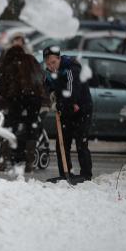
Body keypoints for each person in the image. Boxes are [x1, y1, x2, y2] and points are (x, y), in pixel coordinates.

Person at [43, 46, 93, 182]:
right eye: (48, 64)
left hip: (81, 109)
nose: (51, 66)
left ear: (59, 58)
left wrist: (63, 103)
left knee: (81, 142)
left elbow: (71, 91)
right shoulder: (49, 73)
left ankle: (86, 175)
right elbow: (45, 90)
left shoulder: (71, 68)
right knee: (62, 144)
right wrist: (50, 98)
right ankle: (66, 173)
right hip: (65, 110)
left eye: (53, 62)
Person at [0, 46, 45, 173]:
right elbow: (41, 77)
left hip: (16, 97)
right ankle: (29, 163)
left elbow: (1, 85)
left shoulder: (8, 63)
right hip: (35, 98)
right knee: (32, 126)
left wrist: (5, 98)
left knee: (10, 126)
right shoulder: (32, 60)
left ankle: (5, 161)